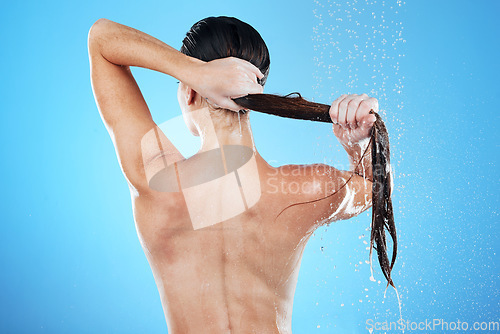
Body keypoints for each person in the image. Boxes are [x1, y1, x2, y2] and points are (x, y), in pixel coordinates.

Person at [88, 16, 378, 334]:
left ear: (188, 94)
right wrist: (358, 144)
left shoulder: (155, 178)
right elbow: (373, 189)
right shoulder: (303, 189)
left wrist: (192, 72)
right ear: (256, 98)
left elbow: (101, 40)